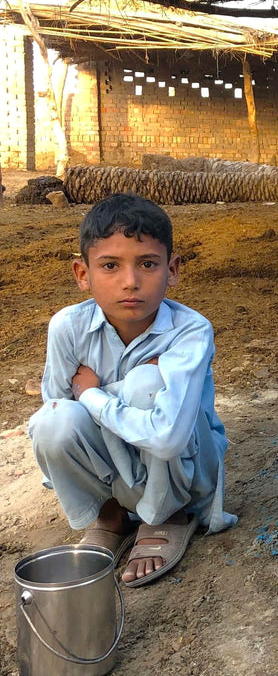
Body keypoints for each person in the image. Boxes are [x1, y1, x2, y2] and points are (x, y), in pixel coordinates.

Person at [28, 194, 236, 587]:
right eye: (110, 265)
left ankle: (166, 514)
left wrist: (92, 393)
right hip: (113, 468)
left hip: (184, 467)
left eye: (147, 264)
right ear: (82, 274)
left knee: (147, 385)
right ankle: (110, 514)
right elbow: (57, 409)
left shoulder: (191, 331)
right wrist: (92, 401)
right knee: (52, 421)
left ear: (172, 270)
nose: (130, 282)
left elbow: (169, 438)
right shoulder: (67, 328)